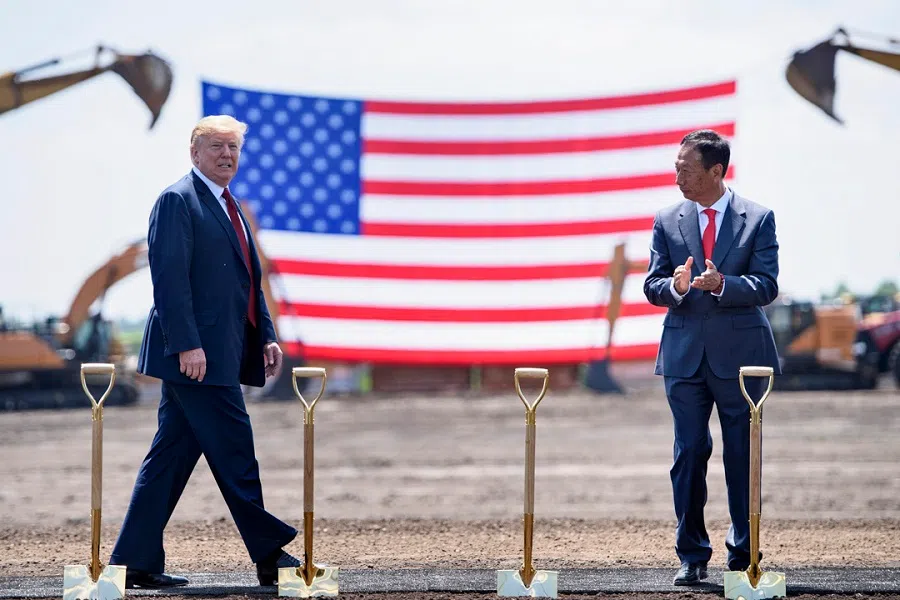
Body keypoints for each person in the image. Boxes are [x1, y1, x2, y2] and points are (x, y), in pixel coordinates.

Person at [109, 115, 301, 589]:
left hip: (220, 352)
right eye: (216, 146)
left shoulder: (230, 204)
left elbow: (246, 282)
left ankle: (134, 562)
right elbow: (169, 281)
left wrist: (267, 336)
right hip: (196, 358)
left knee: (170, 457)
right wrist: (188, 345)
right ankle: (269, 554)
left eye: (233, 147)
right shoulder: (178, 200)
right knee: (235, 449)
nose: (226, 155)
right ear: (194, 153)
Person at [643, 129, 781, 586]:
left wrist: (723, 284)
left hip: (742, 359)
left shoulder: (757, 218)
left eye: (686, 167)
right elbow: (652, 284)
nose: (677, 173)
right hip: (683, 357)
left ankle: (744, 551)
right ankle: (692, 554)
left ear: (715, 171)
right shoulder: (666, 220)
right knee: (688, 453)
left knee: (742, 454)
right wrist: (678, 288)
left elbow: (766, 284)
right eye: (677, 166)